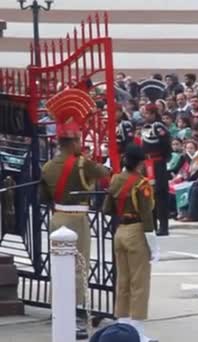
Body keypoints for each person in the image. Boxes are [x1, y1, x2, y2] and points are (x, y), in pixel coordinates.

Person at [39, 88, 111, 340]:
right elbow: (104, 173)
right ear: (74, 142)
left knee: (58, 266)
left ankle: (59, 311)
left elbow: (42, 198)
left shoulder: (48, 166)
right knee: (79, 267)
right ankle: (76, 316)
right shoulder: (82, 163)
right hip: (77, 219)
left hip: (57, 217)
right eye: (79, 140)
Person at [103, 143, 159, 342]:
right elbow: (147, 215)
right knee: (140, 283)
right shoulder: (142, 183)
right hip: (136, 231)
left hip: (120, 231)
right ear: (140, 163)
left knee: (123, 282)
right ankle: (137, 331)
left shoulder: (116, 179)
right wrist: (153, 243)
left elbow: (106, 208)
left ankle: (123, 324)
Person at [141, 103, 172, 236]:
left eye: (148, 113)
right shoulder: (145, 127)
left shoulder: (159, 127)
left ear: (153, 114)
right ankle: (152, 224)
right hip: (148, 163)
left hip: (158, 163)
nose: (145, 116)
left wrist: (163, 158)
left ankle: (163, 226)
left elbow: (166, 144)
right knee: (149, 193)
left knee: (160, 194)